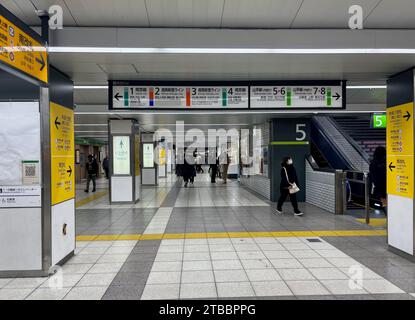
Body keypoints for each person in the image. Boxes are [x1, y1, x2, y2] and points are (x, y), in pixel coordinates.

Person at [369, 146, 387, 215]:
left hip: (378, 186)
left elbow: (372, 175)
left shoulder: (373, 163)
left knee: (384, 202)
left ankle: (387, 215)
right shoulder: (385, 162)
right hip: (387, 186)